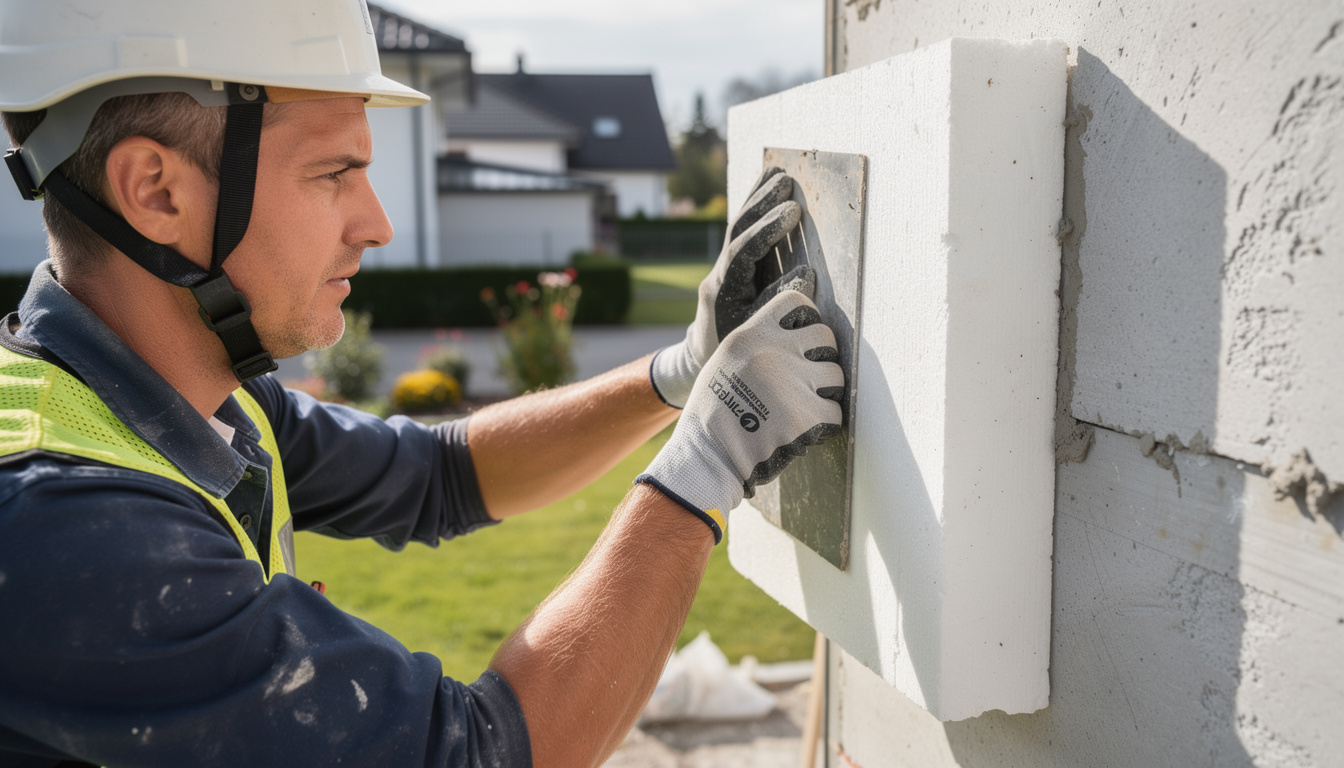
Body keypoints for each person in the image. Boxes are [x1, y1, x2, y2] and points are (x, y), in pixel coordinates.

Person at [0, 1, 844, 766]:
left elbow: (442, 474)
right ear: (156, 191)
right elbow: (478, 756)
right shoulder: (67, 529)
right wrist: (706, 462)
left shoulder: (192, 398)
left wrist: (682, 371)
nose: (377, 224)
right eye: (332, 173)